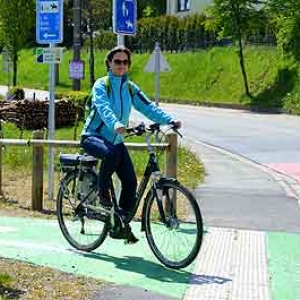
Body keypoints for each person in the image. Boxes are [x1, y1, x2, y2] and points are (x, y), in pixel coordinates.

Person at [80, 46, 181, 243]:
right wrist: (116, 124)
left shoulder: (129, 87)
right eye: (117, 61)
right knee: (111, 154)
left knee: (130, 182)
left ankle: (120, 223)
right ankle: (102, 194)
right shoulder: (102, 85)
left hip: (116, 140)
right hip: (93, 136)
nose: (121, 65)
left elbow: (148, 106)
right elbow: (104, 108)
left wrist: (169, 120)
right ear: (109, 63)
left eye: (125, 62)